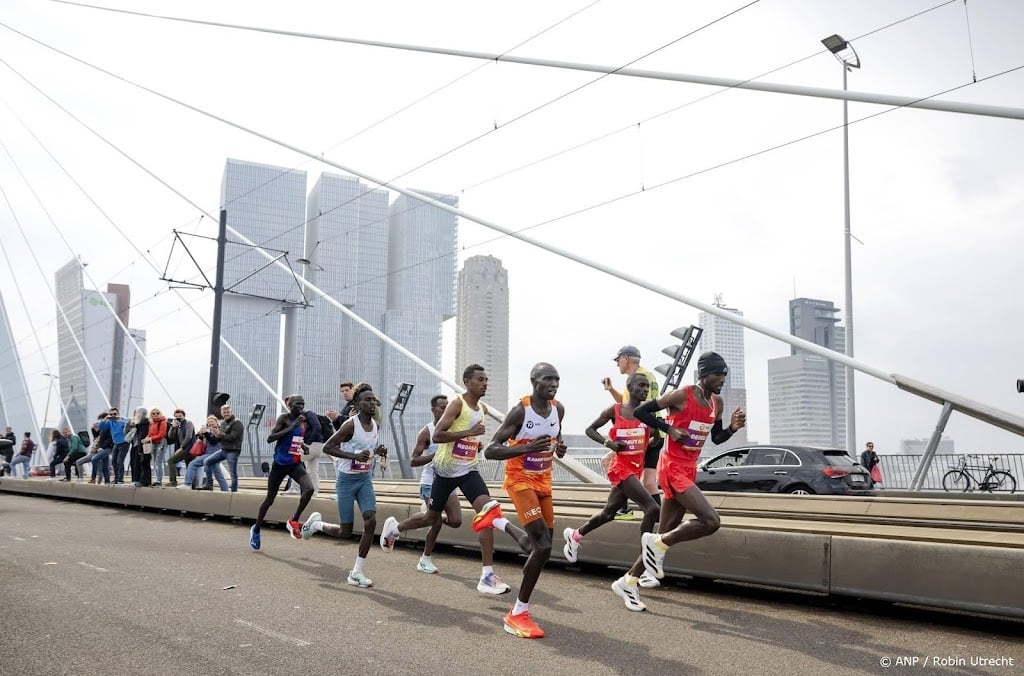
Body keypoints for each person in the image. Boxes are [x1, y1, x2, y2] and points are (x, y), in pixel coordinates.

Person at [610, 351, 746, 612]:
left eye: (725, 375)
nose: (723, 379)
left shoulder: (716, 402)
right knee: (711, 521)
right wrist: (669, 429)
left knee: (664, 531)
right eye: (718, 375)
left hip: (689, 469)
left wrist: (732, 428)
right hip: (672, 468)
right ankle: (657, 545)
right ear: (704, 374)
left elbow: (717, 438)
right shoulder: (682, 395)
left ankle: (628, 581)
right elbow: (641, 411)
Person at [378, 364, 529, 597]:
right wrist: (468, 434)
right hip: (445, 471)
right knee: (430, 518)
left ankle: (487, 576)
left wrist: (474, 444)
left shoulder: (482, 408)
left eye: (486, 380)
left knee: (487, 512)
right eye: (480, 379)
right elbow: (438, 435)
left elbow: (468, 439)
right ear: (467, 382)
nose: (485, 383)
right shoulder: (457, 404)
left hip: (468, 470)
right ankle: (395, 529)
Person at [483, 362, 567, 639]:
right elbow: (491, 450)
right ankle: (517, 613)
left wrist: (560, 447)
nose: (554, 384)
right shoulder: (521, 411)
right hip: (520, 481)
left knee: (540, 548)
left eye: (557, 379)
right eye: (548, 379)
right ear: (534, 381)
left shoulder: (558, 409)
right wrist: (528, 447)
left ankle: (498, 521)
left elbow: (555, 437)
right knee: (542, 546)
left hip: (544, 482)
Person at [564, 372, 661, 586]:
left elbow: (655, 437)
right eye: (641, 385)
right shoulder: (615, 410)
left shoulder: (647, 414)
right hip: (621, 468)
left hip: (635, 470)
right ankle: (643, 569)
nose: (645, 390)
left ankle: (575, 535)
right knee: (652, 509)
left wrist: (654, 439)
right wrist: (609, 444)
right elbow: (590, 430)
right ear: (630, 387)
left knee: (608, 513)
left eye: (647, 386)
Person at [302, 385, 388, 588]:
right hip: (346, 481)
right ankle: (316, 525)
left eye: (373, 400)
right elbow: (328, 447)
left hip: (364, 479)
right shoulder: (350, 425)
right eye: (367, 400)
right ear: (357, 404)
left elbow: (365, 450)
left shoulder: (375, 425)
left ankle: (357, 572)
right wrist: (354, 456)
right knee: (345, 532)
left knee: (371, 521)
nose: (372, 403)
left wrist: (376, 451)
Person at [601, 345, 663, 520]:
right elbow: (627, 405)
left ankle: (624, 508)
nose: (617, 364)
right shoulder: (643, 376)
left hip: (643, 433)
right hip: (654, 431)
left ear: (626, 358)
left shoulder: (640, 378)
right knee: (649, 481)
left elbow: (642, 408)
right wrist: (611, 389)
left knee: (609, 461)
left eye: (618, 360)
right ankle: (658, 517)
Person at [249, 395, 316, 551]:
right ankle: (256, 529)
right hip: (279, 465)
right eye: (298, 404)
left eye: (303, 404)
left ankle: (294, 520)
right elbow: (270, 438)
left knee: (309, 489)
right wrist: (292, 426)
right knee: (269, 500)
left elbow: (295, 438)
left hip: (295, 463)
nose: (301, 406)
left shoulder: (303, 420)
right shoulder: (284, 419)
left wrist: (303, 446)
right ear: (290, 405)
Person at [409, 394, 463, 574]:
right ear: (433, 410)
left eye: (448, 406)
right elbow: (413, 461)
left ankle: (425, 517)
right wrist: (435, 456)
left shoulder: (453, 429)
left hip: (448, 482)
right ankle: (425, 559)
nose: (446, 410)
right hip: (430, 482)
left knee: (456, 521)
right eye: (442, 407)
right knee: (436, 523)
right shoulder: (427, 432)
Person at [201, 404, 244, 492]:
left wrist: (219, 434)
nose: (226, 414)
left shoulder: (237, 423)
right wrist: (208, 433)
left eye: (228, 412)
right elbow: (217, 440)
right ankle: (209, 484)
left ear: (231, 412)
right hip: (224, 450)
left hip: (233, 451)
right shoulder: (223, 423)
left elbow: (232, 437)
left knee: (233, 473)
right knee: (207, 461)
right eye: (224, 412)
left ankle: (234, 491)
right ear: (221, 413)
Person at [164, 409, 196, 487]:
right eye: (176, 416)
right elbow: (170, 436)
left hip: (189, 448)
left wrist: (182, 447)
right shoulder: (178, 426)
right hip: (186, 449)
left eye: (180, 416)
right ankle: (192, 485)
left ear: (184, 416)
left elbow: (189, 436)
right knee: (190, 466)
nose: (178, 418)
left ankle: (173, 481)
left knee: (171, 461)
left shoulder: (188, 423)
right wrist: (172, 427)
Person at [126, 407, 151, 486]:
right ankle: (134, 480)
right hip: (134, 444)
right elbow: (126, 432)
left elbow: (142, 435)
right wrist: (130, 425)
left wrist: (140, 447)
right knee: (133, 462)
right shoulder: (135, 423)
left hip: (141, 445)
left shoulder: (145, 422)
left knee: (138, 463)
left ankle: (139, 480)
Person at [146, 408, 169, 486]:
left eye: (157, 413)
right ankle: (157, 479)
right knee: (155, 461)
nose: (155, 414)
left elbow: (161, 434)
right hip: (154, 443)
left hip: (161, 443)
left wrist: (150, 438)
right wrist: (146, 438)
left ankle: (159, 480)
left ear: (160, 414)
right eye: (153, 413)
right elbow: (150, 433)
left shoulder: (163, 422)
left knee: (158, 461)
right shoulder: (151, 423)